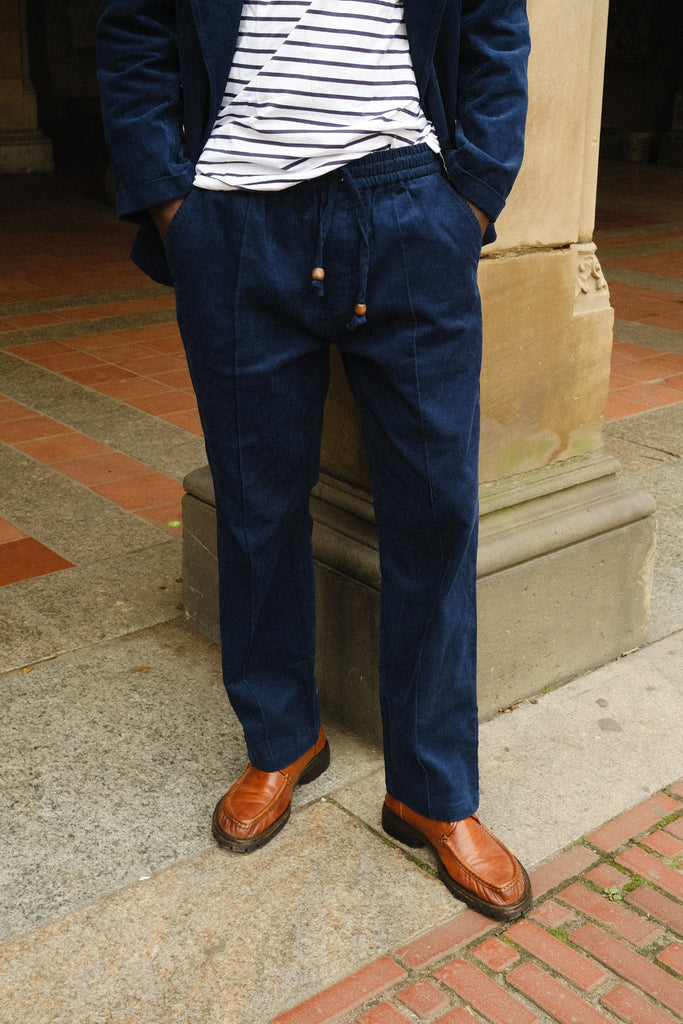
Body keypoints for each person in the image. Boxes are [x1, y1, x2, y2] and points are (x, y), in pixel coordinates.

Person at [97, 0, 532, 921]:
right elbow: (134, 33)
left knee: (436, 512)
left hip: (414, 207)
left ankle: (432, 789)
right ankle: (282, 738)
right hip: (233, 222)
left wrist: (474, 194)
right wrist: (176, 207)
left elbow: (493, 28)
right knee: (255, 505)